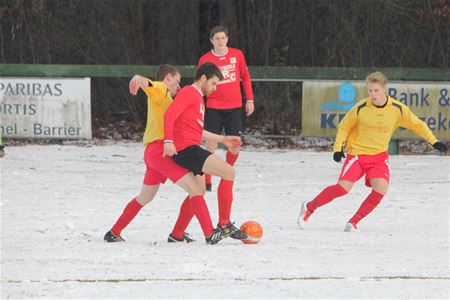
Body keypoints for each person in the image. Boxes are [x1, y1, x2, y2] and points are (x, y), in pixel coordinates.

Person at [104, 64, 239, 245]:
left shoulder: (174, 100)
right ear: (168, 78)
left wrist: (222, 139)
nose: (179, 86)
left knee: (145, 197)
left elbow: (192, 130)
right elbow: (149, 85)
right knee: (196, 189)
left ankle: (114, 232)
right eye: (176, 82)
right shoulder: (162, 91)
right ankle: (209, 233)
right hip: (161, 151)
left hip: (154, 153)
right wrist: (138, 78)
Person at [298, 71, 448, 232]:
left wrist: (434, 141)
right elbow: (344, 127)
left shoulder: (397, 109)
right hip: (357, 156)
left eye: (376, 90)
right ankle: (309, 207)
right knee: (342, 189)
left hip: (379, 158)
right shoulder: (361, 107)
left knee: (380, 190)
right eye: (370, 90)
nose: (372, 94)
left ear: (384, 88)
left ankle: (353, 222)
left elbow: (417, 124)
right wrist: (338, 148)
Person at [163, 62, 248, 240]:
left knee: (199, 191)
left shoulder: (197, 97)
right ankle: (224, 223)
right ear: (203, 78)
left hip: (190, 148)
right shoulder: (189, 92)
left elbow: (196, 130)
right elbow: (169, 114)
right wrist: (168, 141)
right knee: (228, 172)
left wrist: (222, 139)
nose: (215, 88)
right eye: (213, 83)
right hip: (186, 149)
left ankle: (177, 234)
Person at [198, 25, 254, 192]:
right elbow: (200, 85)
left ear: (227, 39)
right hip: (213, 106)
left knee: (234, 144)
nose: (220, 41)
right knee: (210, 144)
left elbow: (245, 77)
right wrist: (199, 104)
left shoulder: (237, 55)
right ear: (211, 41)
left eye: (223, 38)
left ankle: (227, 170)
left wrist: (249, 99)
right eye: (217, 38)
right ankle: (207, 176)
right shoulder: (205, 59)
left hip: (234, 107)